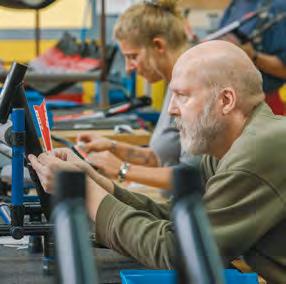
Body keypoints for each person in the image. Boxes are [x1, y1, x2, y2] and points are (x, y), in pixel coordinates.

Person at [29, 41, 286, 283]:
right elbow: (179, 219)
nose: (172, 109)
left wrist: (84, 191)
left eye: (182, 96)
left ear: (226, 101)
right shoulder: (230, 147)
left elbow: (178, 251)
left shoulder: (255, 152)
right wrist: (96, 181)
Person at [76, 0, 200, 189]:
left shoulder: (194, 87)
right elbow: (158, 158)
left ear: (158, 45)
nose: (128, 69)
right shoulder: (175, 85)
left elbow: (193, 177)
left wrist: (122, 169)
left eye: (132, 57)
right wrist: (111, 146)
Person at [219, 0, 286, 115]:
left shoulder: (279, 7)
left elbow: (283, 70)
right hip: (232, 103)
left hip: (266, 106)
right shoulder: (236, 5)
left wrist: (252, 56)